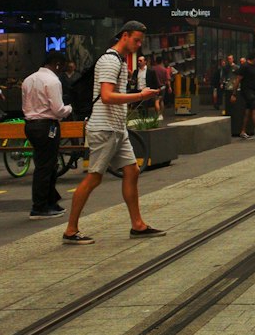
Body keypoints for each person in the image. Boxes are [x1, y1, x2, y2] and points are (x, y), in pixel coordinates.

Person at [63, 21, 164, 244]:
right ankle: (70, 230)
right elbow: (107, 96)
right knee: (94, 178)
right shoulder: (110, 60)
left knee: (132, 171)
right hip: (104, 127)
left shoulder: (118, 60)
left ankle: (137, 225)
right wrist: (140, 96)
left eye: (141, 41)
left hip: (117, 127)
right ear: (124, 36)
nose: (138, 45)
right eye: (136, 40)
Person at [22, 51, 73, 218]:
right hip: (47, 126)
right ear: (57, 63)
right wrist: (69, 108)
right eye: (62, 66)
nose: (62, 69)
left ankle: (51, 201)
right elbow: (58, 109)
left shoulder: (28, 79)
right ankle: (40, 206)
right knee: (46, 167)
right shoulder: (52, 81)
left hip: (30, 126)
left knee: (46, 164)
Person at [237, 52, 255, 140]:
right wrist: (234, 93)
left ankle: (243, 131)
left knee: (248, 111)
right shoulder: (245, 66)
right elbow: (238, 79)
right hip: (247, 91)